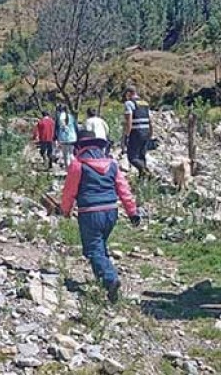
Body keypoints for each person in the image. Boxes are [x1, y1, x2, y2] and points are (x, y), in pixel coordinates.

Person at [60, 130, 140, 303]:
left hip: (90, 212)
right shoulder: (112, 164)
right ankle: (102, 279)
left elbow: (69, 191)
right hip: (111, 211)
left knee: (93, 248)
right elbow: (123, 189)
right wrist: (132, 212)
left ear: (80, 147)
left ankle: (110, 278)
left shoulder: (78, 164)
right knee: (100, 245)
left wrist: (65, 210)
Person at [122, 86, 153, 177]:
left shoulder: (129, 103)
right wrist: (151, 133)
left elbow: (129, 121)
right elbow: (150, 120)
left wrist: (126, 135)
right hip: (146, 132)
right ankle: (143, 178)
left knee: (132, 157)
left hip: (136, 133)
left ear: (128, 94)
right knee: (142, 156)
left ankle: (146, 171)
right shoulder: (145, 103)